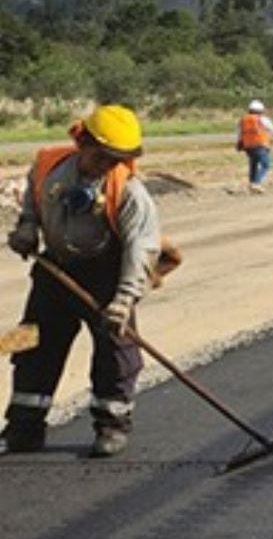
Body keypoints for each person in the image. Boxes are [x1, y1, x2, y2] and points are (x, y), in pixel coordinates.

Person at [2, 106, 161, 459]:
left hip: (107, 276)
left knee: (117, 354)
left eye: (116, 159)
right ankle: (22, 430)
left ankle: (112, 426)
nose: (107, 165)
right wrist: (27, 229)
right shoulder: (47, 166)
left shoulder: (129, 191)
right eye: (102, 156)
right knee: (29, 345)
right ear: (81, 140)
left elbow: (142, 248)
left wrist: (124, 299)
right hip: (54, 271)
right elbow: (33, 201)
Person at [237, 98, 273, 193]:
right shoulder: (262, 119)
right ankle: (256, 183)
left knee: (253, 164)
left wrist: (239, 143)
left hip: (248, 146)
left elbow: (240, 133)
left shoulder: (243, 120)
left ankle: (251, 183)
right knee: (266, 164)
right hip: (261, 144)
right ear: (261, 110)